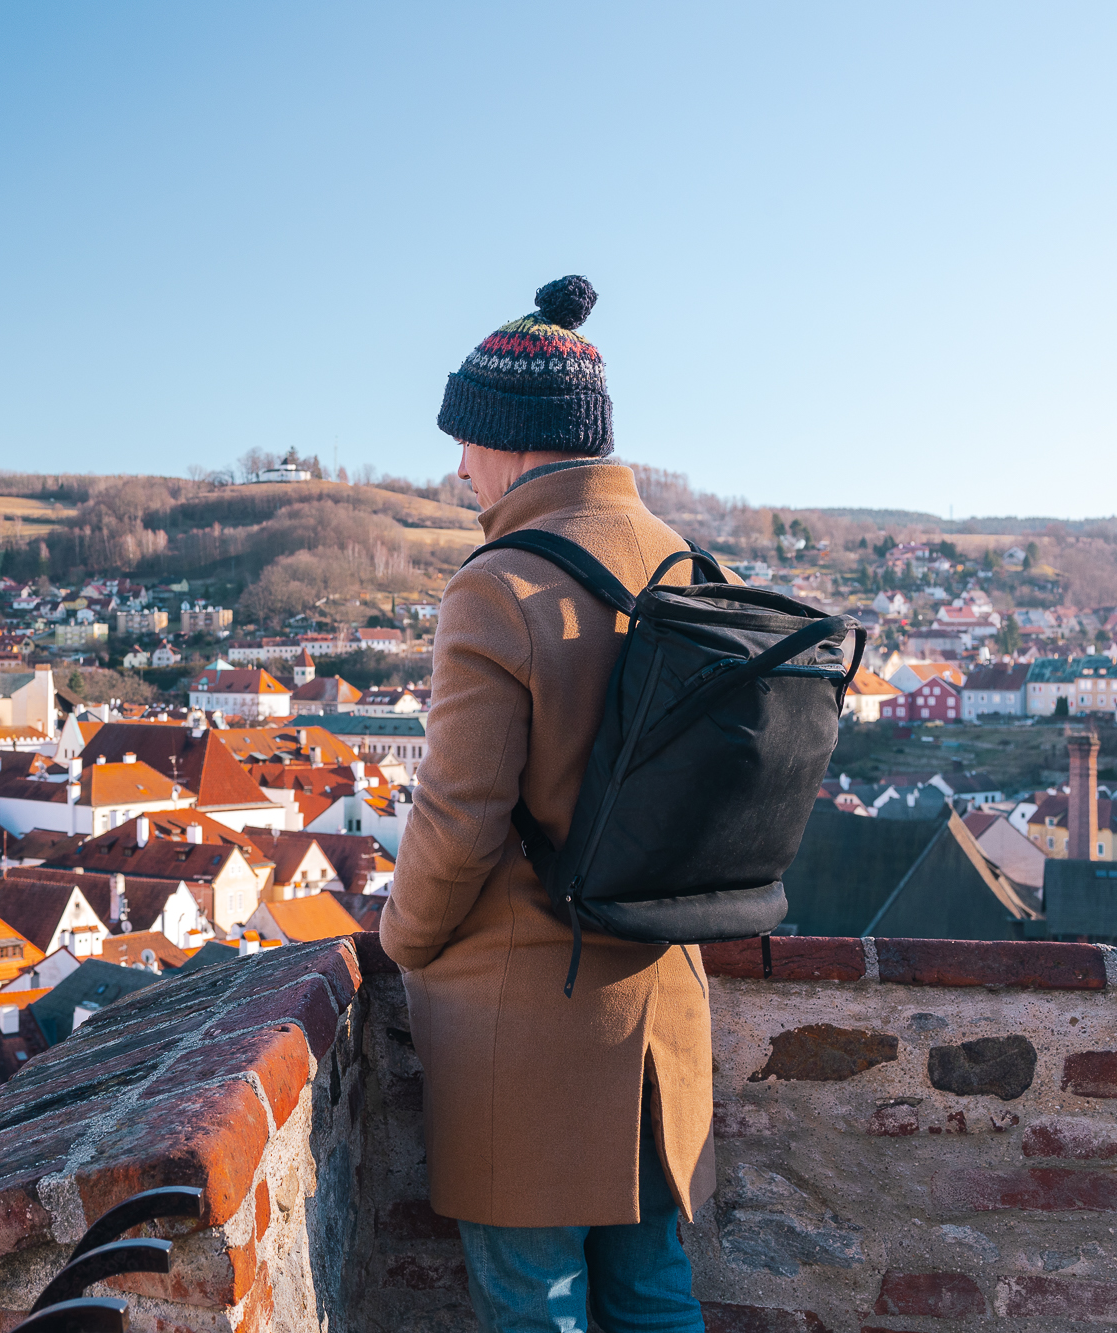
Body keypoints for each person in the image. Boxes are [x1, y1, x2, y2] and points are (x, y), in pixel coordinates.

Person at [378, 276, 713, 1333]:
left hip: (526, 1021)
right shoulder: (685, 563)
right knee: (652, 1294)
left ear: (514, 444)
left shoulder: (501, 583)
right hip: (658, 1009)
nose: (457, 468)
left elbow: (458, 816)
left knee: (537, 1311)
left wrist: (400, 939)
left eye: (465, 443)